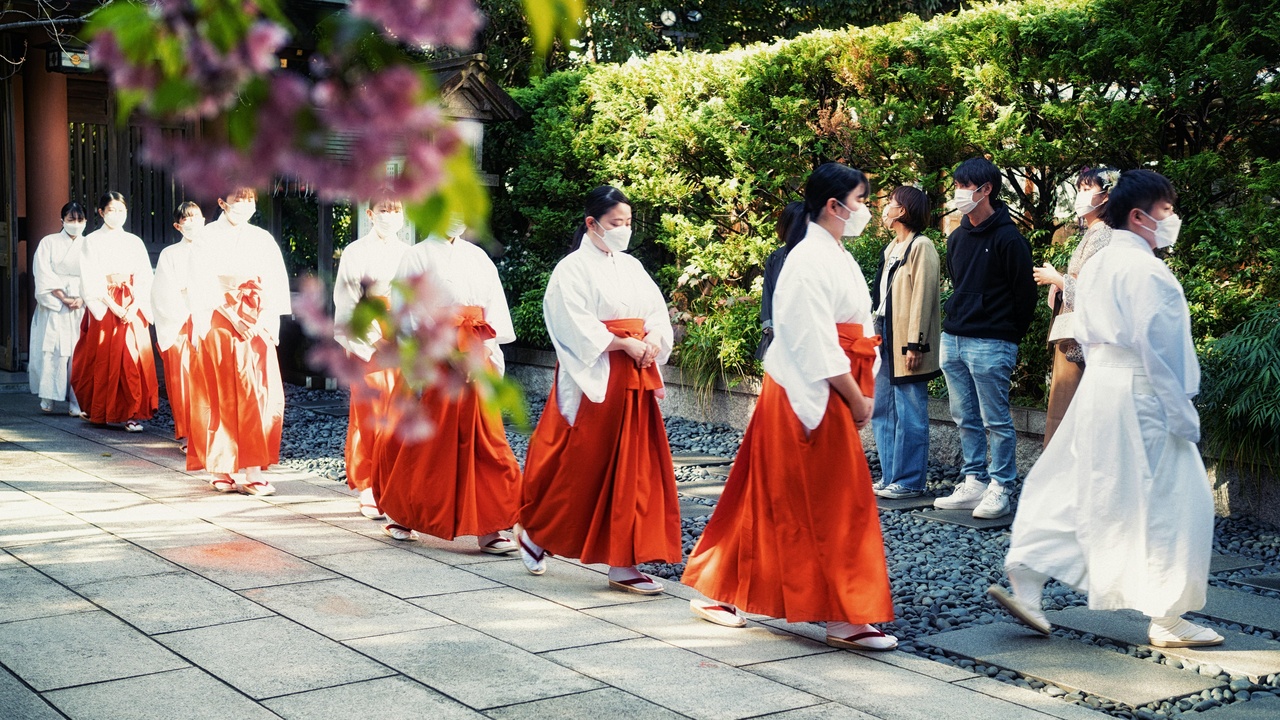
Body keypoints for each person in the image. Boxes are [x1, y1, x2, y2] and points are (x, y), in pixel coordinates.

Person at [990, 169, 1222, 649]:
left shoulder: (1098, 264)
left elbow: (1087, 330)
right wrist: (1183, 412)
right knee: (1176, 497)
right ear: (1139, 216)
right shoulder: (1148, 272)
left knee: (1076, 484)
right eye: (1165, 210)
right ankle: (1168, 616)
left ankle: (1028, 578)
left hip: (1101, 384)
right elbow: (1161, 350)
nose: (1171, 218)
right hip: (1144, 390)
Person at [682, 163, 897, 650]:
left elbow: (855, 331)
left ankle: (723, 589)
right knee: (832, 499)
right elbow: (813, 340)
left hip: (830, 383)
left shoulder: (832, 254)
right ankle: (843, 613)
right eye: (861, 201)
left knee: (779, 495)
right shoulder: (807, 259)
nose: (866, 209)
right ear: (834, 206)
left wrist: (862, 387)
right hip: (810, 388)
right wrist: (855, 393)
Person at [516, 185, 680, 594]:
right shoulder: (571, 269)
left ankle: (623, 561)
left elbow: (655, 312)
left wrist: (653, 338)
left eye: (628, 222)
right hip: (598, 373)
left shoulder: (632, 266)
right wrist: (623, 343)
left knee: (634, 468)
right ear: (592, 223)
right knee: (583, 464)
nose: (624, 229)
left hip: (634, 374)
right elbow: (572, 323)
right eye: (615, 223)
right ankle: (537, 531)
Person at [370, 216, 522, 553]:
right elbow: (409, 313)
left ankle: (490, 527)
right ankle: (404, 515)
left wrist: (485, 351)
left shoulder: (477, 257)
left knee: (486, 440)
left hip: (476, 354)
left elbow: (493, 311)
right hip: (435, 360)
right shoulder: (416, 256)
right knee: (428, 442)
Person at [932, 157, 1036, 519]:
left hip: (992, 342)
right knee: (964, 416)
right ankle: (973, 480)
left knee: (996, 419)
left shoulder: (1010, 239)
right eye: (957, 186)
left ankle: (1001, 486)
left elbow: (1025, 296)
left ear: (985, 189)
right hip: (954, 337)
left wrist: (1007, 336)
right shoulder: (957, 238)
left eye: (964, 186)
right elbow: (958, 283)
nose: (959, 193)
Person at [185, 187, 290, 495]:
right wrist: (233, 316)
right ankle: (222, 468)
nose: (244, 205)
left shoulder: (262, 238)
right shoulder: (206, 237)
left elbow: (274, 282)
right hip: (220, 319)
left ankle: (254, 470)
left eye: (249, 200)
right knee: (223, 392)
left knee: (260, 393)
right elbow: (201, 282)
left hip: (256, 318)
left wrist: (261, 319)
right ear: (222, 202)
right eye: (237, 200)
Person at [333, 195, 412, 520]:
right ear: (370, 213)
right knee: (369, 411)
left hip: (401, 337)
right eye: (384, 210)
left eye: (396, 210)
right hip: (368, 338)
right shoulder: (355, 252)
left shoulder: (409, 253)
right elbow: (348, 301)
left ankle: (393, 481)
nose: (390, 216)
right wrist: (374, 338)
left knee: (399, 412)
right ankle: (367, 484)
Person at [1032, 167, 1117, 447]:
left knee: (1070, 414)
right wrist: (1061, 282)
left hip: (1083, 339)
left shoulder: (1104, 235)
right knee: (1066, 411)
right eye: (1079, 189)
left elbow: (1097, 292)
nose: (1080, 195)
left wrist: (1058, 279)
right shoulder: (1093, 233)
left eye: (1086, 189)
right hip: (1075, 335)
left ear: (1106, 196)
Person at [870, 186, 942, 499]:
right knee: (882, 408)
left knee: (910, 409)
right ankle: (891, 476)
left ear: (902, 211)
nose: (886, 208)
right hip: (884, 331)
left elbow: (923, 298)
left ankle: (910, 480)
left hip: (906, 338)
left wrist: (916, 343)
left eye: (891, 203)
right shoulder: (892, 248)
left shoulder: (921, 246)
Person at [71, 191, 159, 431]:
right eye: (111, 210)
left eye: (121, 210)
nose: (117, 215)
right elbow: (90, 277)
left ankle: (132, 413)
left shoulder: (134, 241)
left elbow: (145, 277)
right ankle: (100, 409)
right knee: (102, 357)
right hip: (106, 303)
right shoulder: (91, 240)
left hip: (132, 301)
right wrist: (114, 306)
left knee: (133, 357)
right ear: (101, 212)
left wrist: (134, 305)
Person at [152, 202, 204, 450]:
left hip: (208, 317)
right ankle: (186, 434)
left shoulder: (214, 250)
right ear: (177, 225)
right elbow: (162, 291)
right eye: (186, 219)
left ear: (204, 220)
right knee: (182, 378)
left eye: (196, 217)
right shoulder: (169, 254)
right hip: (179, 322)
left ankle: (209, 434)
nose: (192, 222)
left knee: (209, 378)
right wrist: (186, 299)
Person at [29, 202, 88, 416]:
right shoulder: (49, 242)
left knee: (78, 351)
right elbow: (43, 271)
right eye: (71, 219)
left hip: (80, 300)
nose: (75, 224)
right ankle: (48, 396)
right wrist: (62, 297)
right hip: (55, 301)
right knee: (53, 348)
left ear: (85, 221)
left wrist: (83, 297)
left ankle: (76, 401)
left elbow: (94, 274)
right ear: (62, 220)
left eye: (80, 220)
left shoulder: (89, 244)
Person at [756, 201, 806, 360]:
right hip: (779, 335)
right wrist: (769, 329)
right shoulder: (775, 258)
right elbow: (768, 295)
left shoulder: (813, 257)